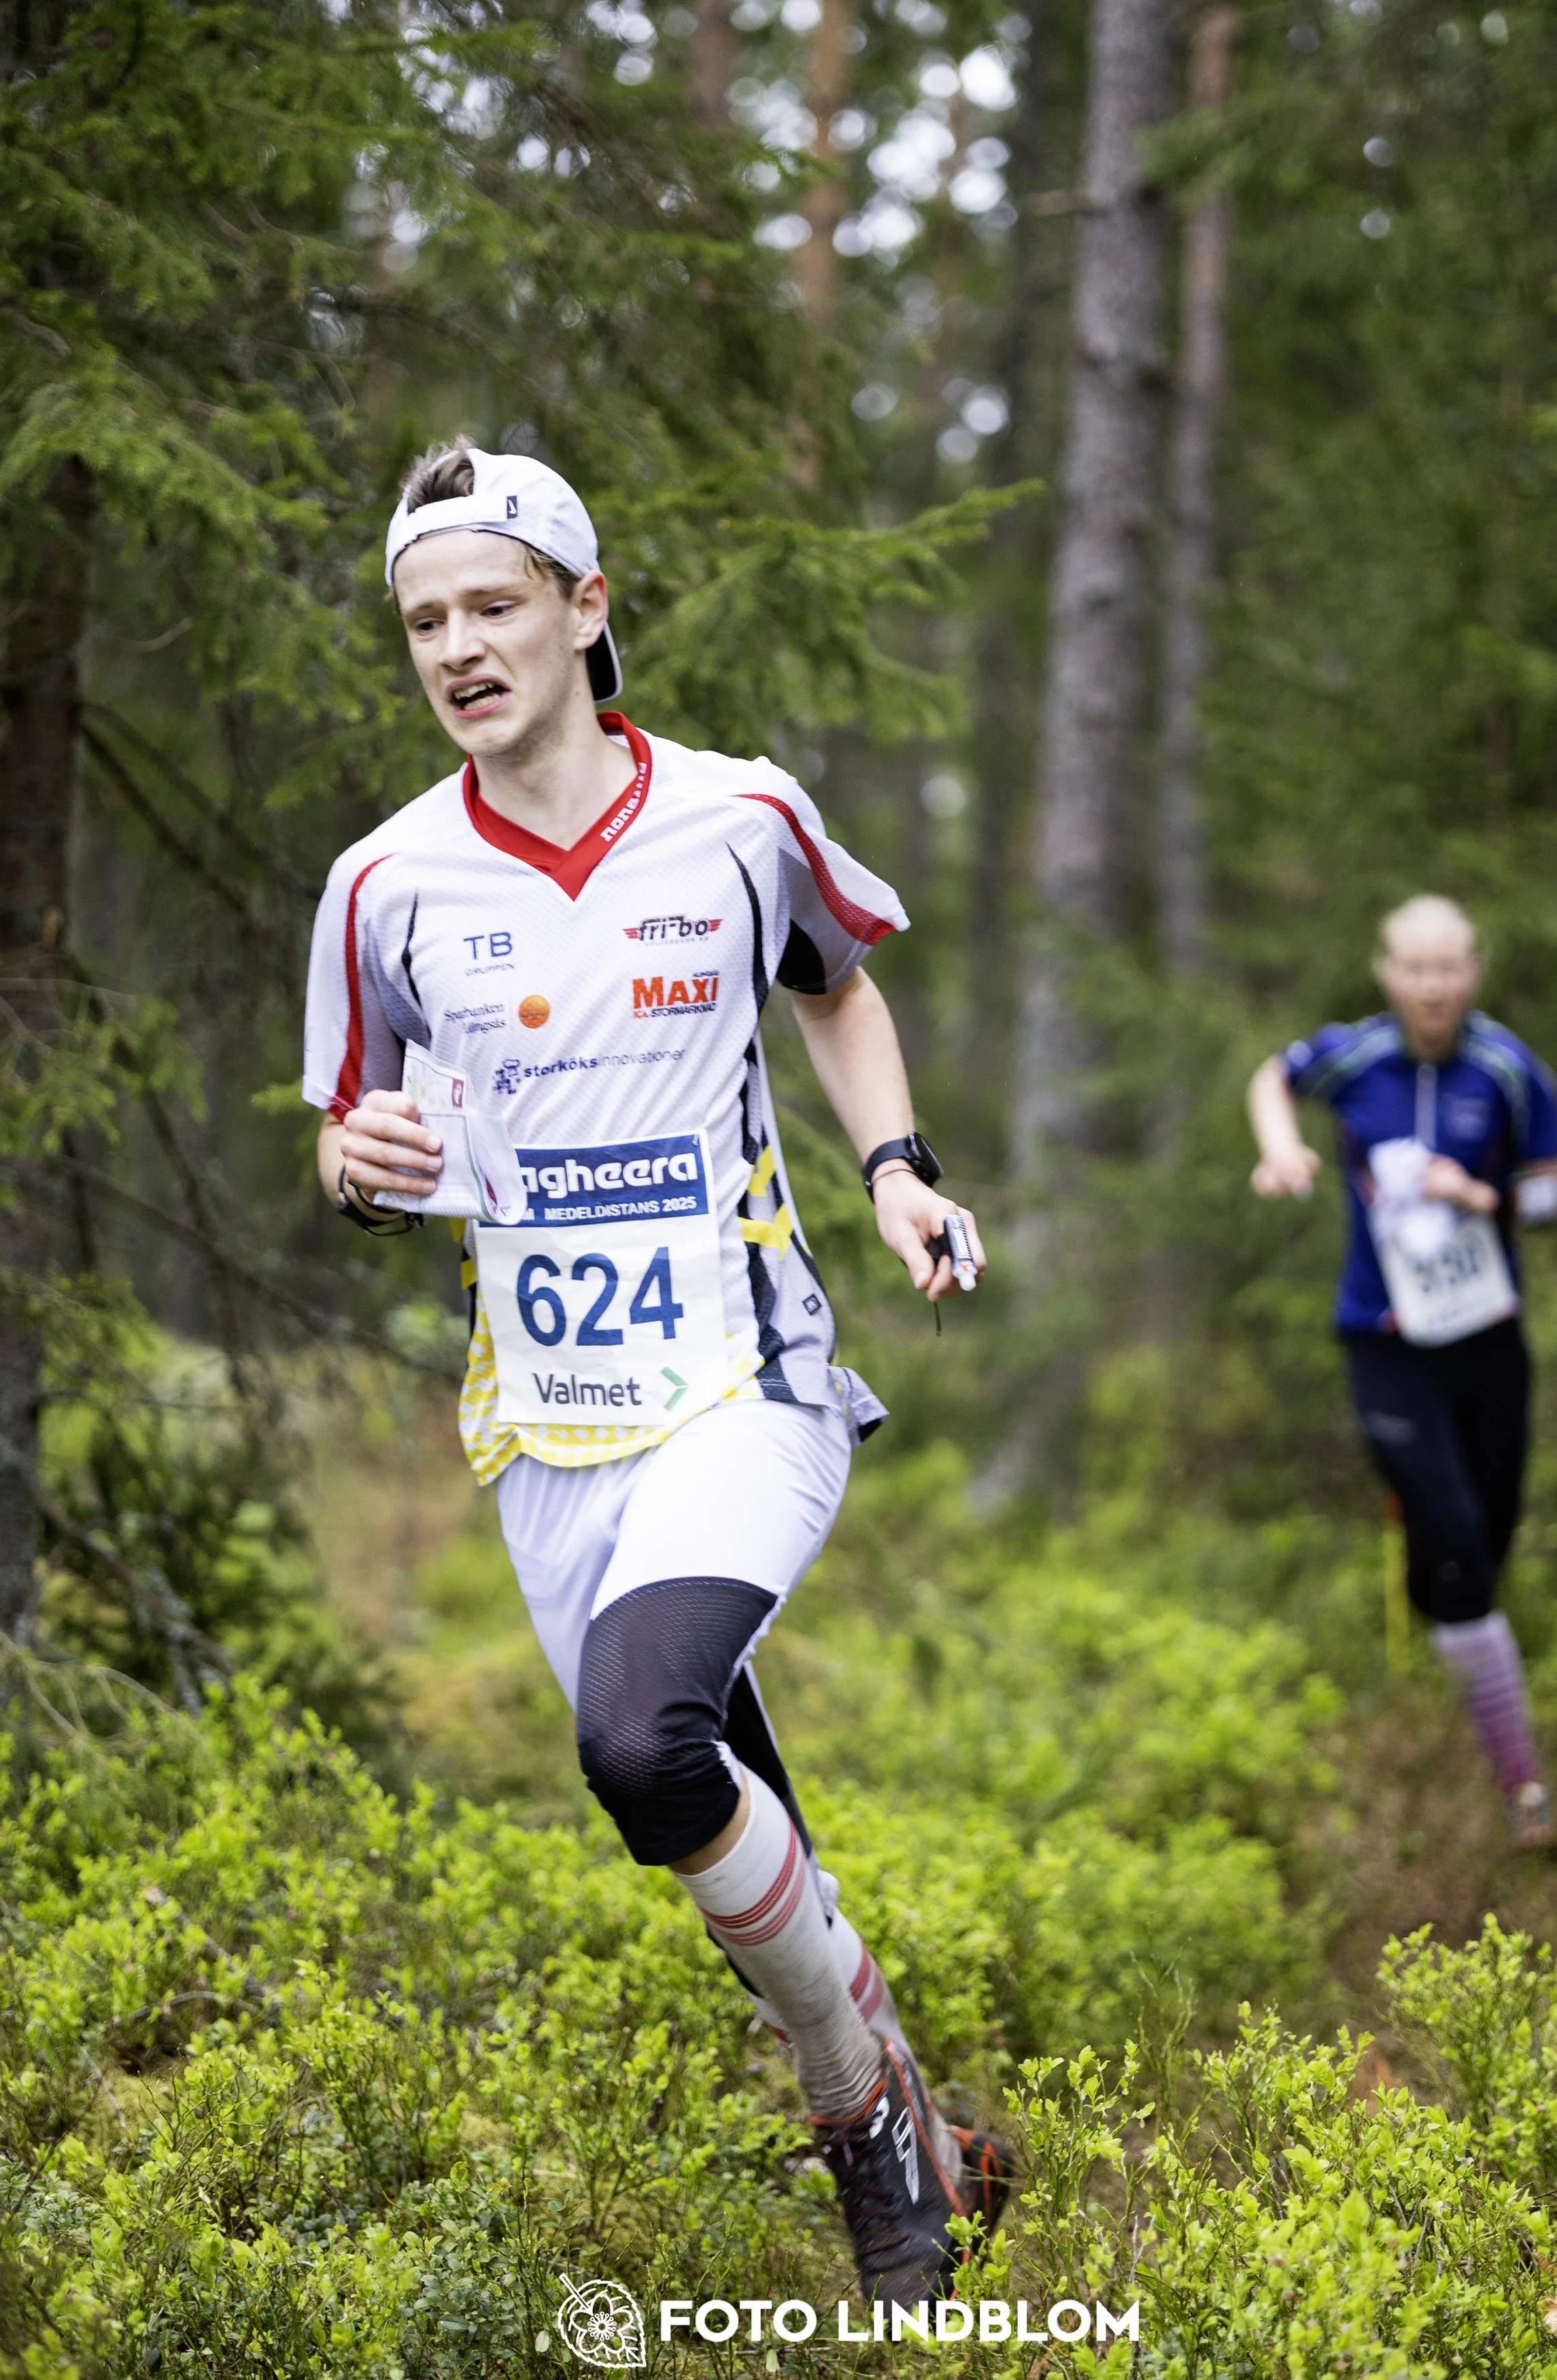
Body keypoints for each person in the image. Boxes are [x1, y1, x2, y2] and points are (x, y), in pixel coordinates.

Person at [302, 441, 1007, 2311]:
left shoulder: (736, 815)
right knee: (691, 1799)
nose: (458, 646)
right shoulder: (383, 883)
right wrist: (357, 1170)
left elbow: (835, 984)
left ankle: (868, 2132)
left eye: (492, 604)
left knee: (638, 1735)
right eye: (425, 619)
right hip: (549, 1428)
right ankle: (921, 2118)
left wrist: (896, 1171)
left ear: (583, 608)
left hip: (743, 1377)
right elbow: (354, 1129)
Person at [1246, 895, 1557, 1852]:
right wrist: (1282, 1148)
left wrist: (1485, 1196)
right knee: (1459, 1540)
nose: (1433, 987)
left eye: (1450, 968)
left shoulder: (1509, 1070)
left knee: (1484, 1550)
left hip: (1485, 1338)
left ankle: (1457, 1640)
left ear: (1474, 972)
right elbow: (1275, 1074)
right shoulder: (1357, 1056)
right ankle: (1524, 1789)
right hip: (1385, 1340)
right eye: (1415, 969)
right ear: (1387, 973)